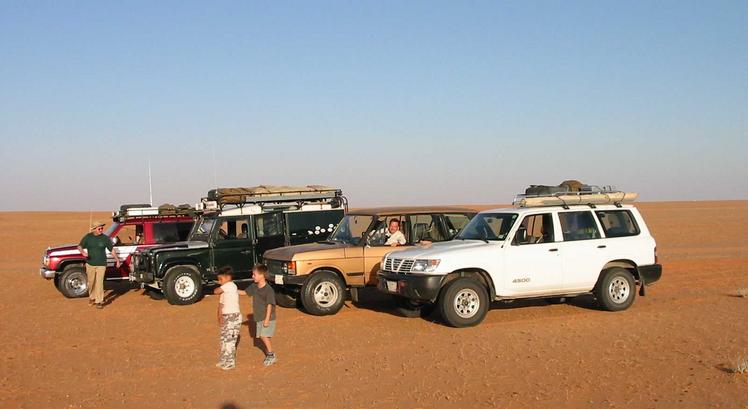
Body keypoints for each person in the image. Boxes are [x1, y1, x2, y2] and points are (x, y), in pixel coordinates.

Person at [78, 220, 120, 309]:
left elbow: (111, 250)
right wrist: (83, 252)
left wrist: (117, 260)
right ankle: (92, 297)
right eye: (99, 228)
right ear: (94, 229)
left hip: (101, 264)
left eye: (102, 228)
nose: (101, 230)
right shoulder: (88, 237)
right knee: (91, 282)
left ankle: (99, 301)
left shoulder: (105, 238)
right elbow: (79, 246)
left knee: (99, 282)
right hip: (90, 264)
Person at [245, 264, 277, 366]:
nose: (252, 276)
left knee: (263, 336)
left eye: (254, 274)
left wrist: (267, 319)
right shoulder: (254, 286)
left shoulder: (268, 290)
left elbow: (269, 305)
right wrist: (231, 290)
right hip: (259, 317)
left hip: (268, 318)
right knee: (264, 336)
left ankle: (271, 355)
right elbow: (245, 293)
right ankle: (270, 353)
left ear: (262, 275)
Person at [213, 266, 242, 370]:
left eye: (221, 279)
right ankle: (224, 359)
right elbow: (221, 305)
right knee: (224, 340)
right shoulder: (225, 291)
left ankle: (230, 362)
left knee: (230, 340)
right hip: (226, 317)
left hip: (233, 316)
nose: (220, 282)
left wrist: (218, 286)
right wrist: (219, 316)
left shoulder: (230, 285)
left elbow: (216, 291)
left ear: (228, 277)